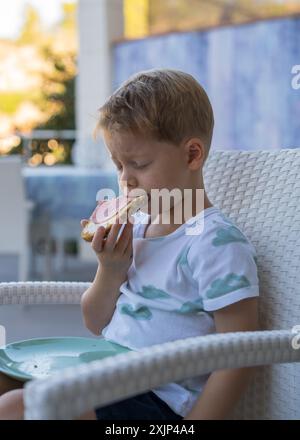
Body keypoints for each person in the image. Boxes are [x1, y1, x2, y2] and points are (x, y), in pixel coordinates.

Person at [0, 68, 259, 420]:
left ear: (192, 155)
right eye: (119, 165)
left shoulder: (216, 244)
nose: (126, 179)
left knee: (17, 408)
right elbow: (95, 323)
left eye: (139, 163)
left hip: (156, 401)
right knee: (5, 383)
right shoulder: (137, 228)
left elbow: (240, 354)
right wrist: (110, 270)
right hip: (108, 374)